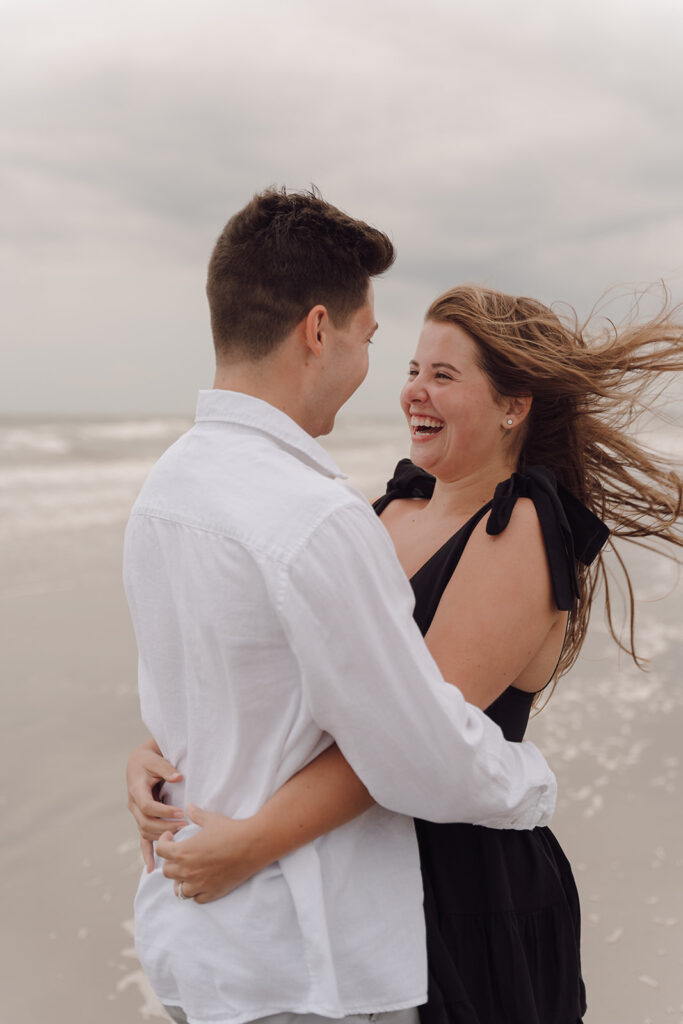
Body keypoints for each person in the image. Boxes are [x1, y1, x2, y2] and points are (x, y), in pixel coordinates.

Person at [128, 281, 683, 1024]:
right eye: (413, 370)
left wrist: (255, 843)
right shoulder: (386, 509)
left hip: (464, 891)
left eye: (444, 376)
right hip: (359, 872)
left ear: (513, 405)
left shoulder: (519, 531)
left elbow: (408, 736)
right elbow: (300, 682)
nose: (414, 393)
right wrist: (160, 749)